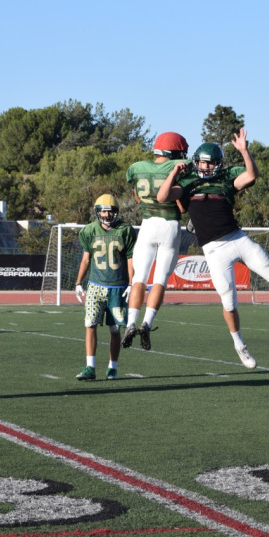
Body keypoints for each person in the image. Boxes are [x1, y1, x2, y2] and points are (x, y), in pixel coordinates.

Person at [156, 129, 269, 369]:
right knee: (229, 300)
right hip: (214, 249)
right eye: (203, 162)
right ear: (197, 162)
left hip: (237, 238)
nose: (207, 167)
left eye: (211, 163)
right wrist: (174, 172)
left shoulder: (226, 179)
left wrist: (245, 151)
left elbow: (251, 175)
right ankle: (239, 344)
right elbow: (162, 197)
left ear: (218, 163)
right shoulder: (188, 182)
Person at [121, 131, 190, 351]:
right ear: (177, 152)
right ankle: (146, 324)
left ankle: (130, 323)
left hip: (147, 224)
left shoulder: (137, 168)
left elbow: (137, 197)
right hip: (169, 226)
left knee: (139, 279)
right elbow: (182, 206)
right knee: (159, 280)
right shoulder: (179, 166)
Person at [75, 194, 136, 381]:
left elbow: (131, 259)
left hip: (118, 287)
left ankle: (112, 367)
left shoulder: (125, 230)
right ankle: (90, 367)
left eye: (110, 211)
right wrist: (78, 282)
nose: (107, 214)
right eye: (103, 211)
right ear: (97, 212)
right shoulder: (89, 231)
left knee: (115, 329)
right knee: (90, 324)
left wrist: (132, 283)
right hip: (95, 285)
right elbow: (86, 259)